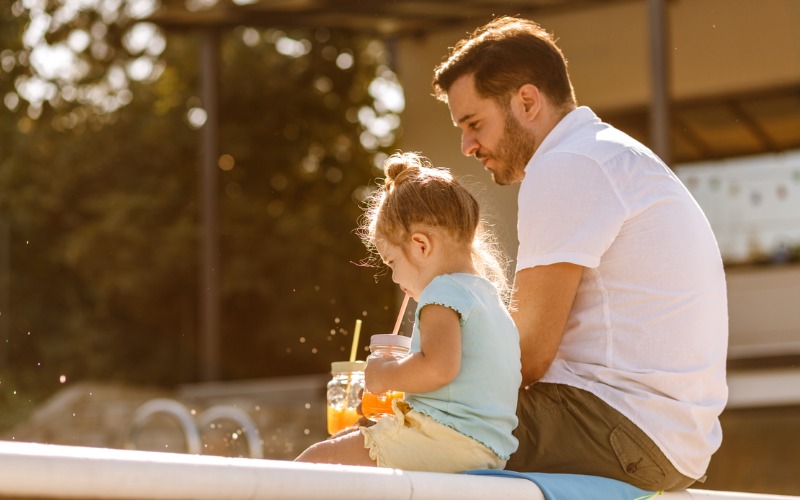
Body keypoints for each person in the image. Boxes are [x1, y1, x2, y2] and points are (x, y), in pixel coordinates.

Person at [431, 16, 728, 491]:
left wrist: (417, 371)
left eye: (474, 123)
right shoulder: (603, 153)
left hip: (620, 429)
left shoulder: (567, 165)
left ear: (527, 101)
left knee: (399, 430)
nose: (466, 146)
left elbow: (526, 357)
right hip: (656, 435)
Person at [295, 151, 522, 473]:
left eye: (391, 263)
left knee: (315, 462)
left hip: (444, 440)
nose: (395, 278)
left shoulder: (442, 291)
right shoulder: (488, 297)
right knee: (348, 440)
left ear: (421, 246)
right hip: (486, 448)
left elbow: (438, 369)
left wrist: (382, 374)